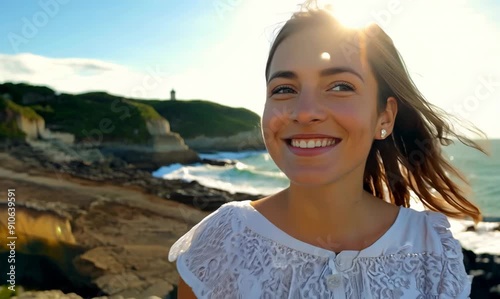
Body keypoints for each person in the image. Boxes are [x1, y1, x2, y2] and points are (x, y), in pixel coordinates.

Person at [169, 2, 486, 298]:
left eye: (340, 86)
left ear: (384, 116)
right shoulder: (219, 242)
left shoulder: (434, 249)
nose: (305, 111)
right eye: (284, 89)